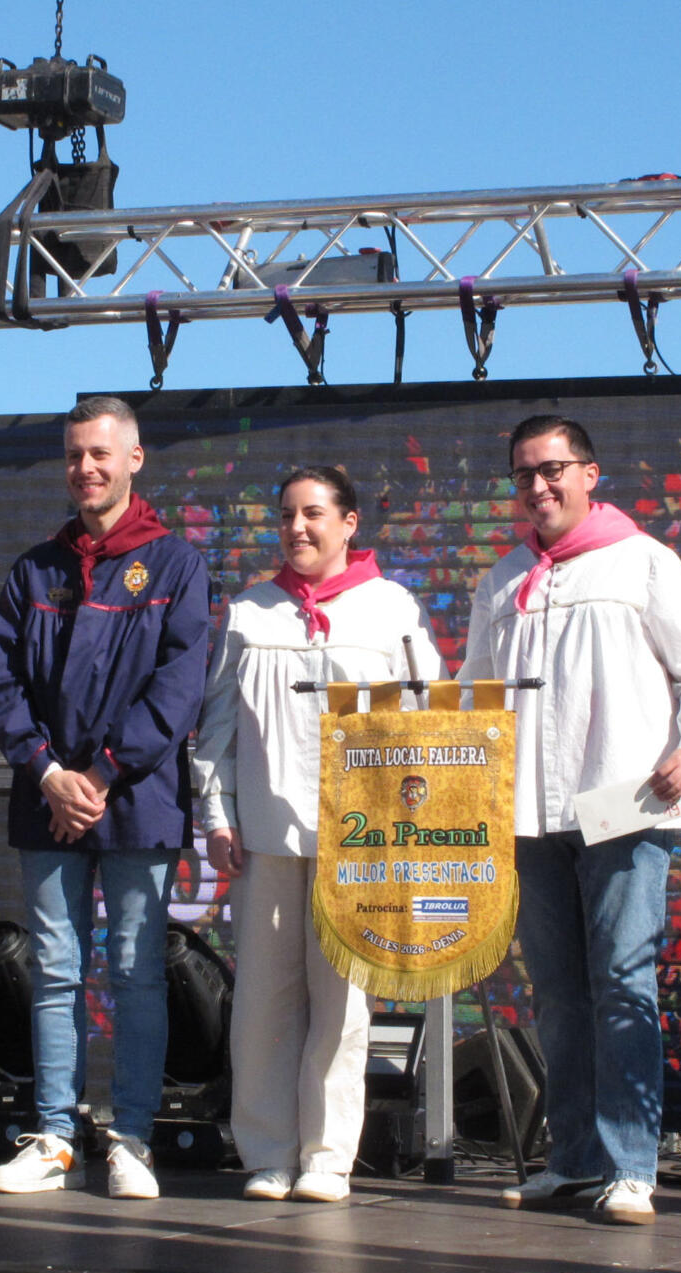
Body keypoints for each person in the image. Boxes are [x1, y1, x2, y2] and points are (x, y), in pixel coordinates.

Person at [458, 414, 681, 1225]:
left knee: (622, 983)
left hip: (624, 802)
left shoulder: (644, 561)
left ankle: (631, 1165)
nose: (538, 486)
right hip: (528, 814)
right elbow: (475, 696)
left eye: (552, 469)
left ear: (589, 473)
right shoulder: (502, 581)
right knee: (558, 994)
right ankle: (573, 1158)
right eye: (523, 475)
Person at [0, 395, 211, 1199]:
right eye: (75, 454)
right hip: (49, 801)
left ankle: (132, 1137)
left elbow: (178, 688)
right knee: (55, 970)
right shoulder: (35, 569)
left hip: (137, 800)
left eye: (100, 454)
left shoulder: (176, 565)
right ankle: (53, 1135)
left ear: (134, 458)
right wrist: (49, 772)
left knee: (137, 971)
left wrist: (105, 772)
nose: (86, 468)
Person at [194, 466, 439, 1204]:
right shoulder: (250, 611)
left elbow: (430, 720)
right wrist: (217, 815)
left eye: (313, 514)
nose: (297, 528)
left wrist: (409, 824)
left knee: (343, 1005)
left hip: (359, 841)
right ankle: (268, 1152)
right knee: (264, 1001)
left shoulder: (391, 608)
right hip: (267, 836)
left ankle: (328, 1157)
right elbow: (216, 729)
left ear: (349, 522)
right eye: (286, 515)